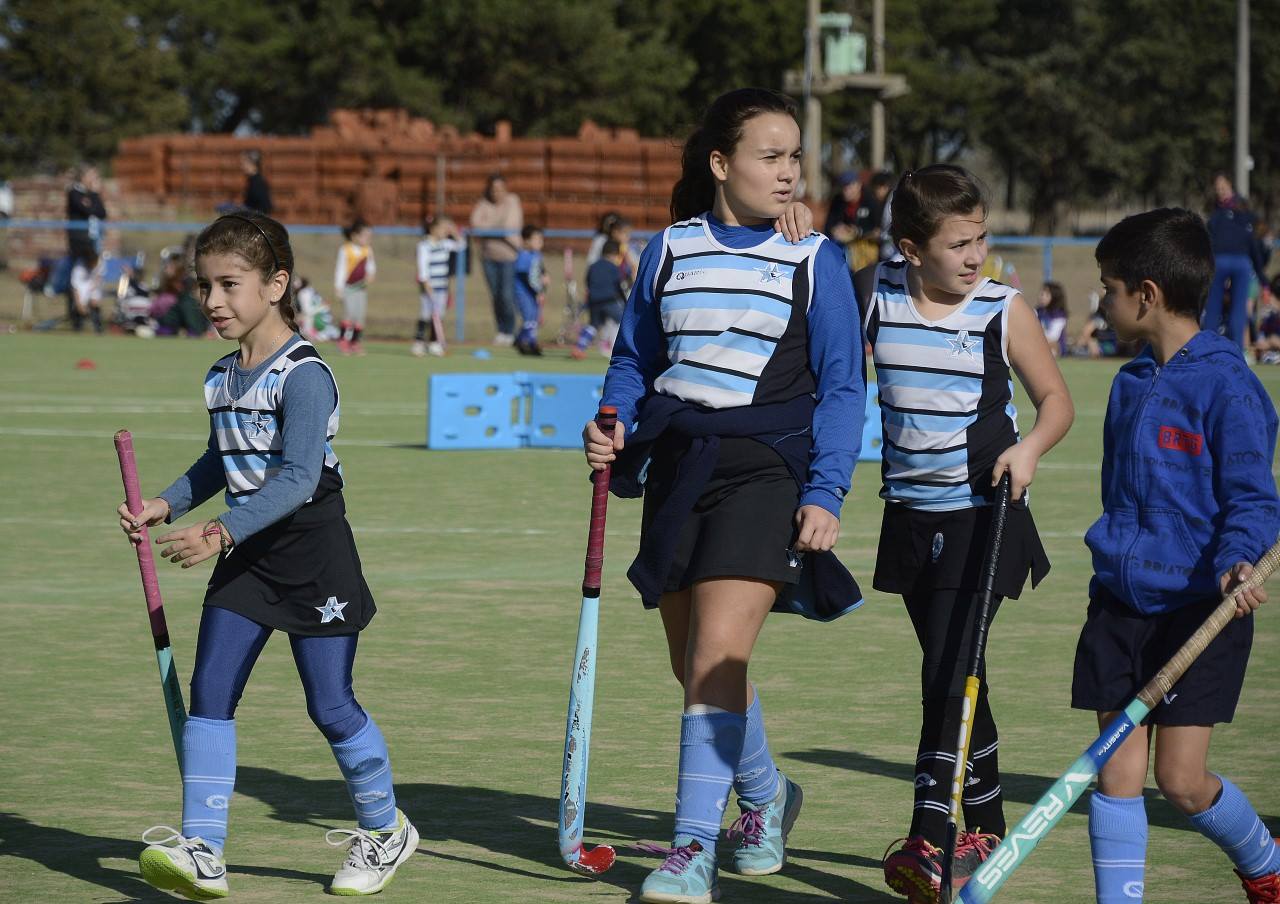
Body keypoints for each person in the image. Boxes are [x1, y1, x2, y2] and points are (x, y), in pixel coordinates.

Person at [582, 87, 864, 904]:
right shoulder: (669, 248)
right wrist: (611, 421)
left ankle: (692, 851)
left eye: (795, 157)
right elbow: (634, 358)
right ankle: (767, 798)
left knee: (715, 658)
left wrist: (827, 490)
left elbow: (845, 387)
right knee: (693, 664)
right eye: (770, 156)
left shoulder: (816, 259)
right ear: (719, 162)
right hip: (679, 465)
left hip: (768, 469)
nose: (789, 172)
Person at [116, 210, 417, 900]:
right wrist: (166, 503)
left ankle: (385, 830)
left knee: (330, 705)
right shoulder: (222, 375)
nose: (212, 300)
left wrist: (218, 532)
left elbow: (299, 478)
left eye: (230, 284)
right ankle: (204, 850)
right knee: (210, 694)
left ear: (276, 284)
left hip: (312, 552)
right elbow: (219, 461)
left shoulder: (304, 375)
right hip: (248, 553)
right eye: (204, 286)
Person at [858, 165, 1074, 903]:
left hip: (986, 513)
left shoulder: (1001, 308)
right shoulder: (874, 292)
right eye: (959, 244)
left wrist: (1030, 449)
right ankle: (988, 823)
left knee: (948, 672)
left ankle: (931, 835)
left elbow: (1055, 401)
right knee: (956, 666)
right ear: (911, 249)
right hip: (908, 517)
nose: (976, 255)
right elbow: (811, 284)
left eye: (981, 238)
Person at [1069, 207, 1280, 904]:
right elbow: (1118, 494)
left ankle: (1266, 865)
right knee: (1116, 777)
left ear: (1147, 294)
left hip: (1199, 610)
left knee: (1182, 782)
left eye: (1109, 288)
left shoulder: (1228, 385)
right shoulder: (1129, 383)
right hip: (1120, 606)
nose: (1103, 301)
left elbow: (1253, 497)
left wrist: (1240, 559)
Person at [1203, 172, 1269, 350]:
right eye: (1217, 188)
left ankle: (1237, 350)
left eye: (1223, 187)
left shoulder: (1244, 212)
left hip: (1240, 262)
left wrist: (1263, 280)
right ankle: (1207, 349)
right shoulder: (1215, 214)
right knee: (1213, 308)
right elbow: (1208, 241)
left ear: (1230, 186)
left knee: (1238, 310)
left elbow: (1253, 245)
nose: (1220, 191)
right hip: (1219, 261)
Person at [470, 173, 523, 345]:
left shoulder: (513, 201)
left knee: (506, 295)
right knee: (496, 296)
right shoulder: (483, 203)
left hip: (509, 257)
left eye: (500, 189)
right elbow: (475, 224)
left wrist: (489, 229)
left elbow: (509, 227)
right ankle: (501, 331)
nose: (496, 192)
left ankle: (510, 330)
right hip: (488, 258)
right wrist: (496, 229)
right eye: (493, 189)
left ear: (505, 189)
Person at [413, 215, 460, 357]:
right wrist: (426, 283)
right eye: (443, 228)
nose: (446, 231)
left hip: (442, 286)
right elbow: (422, 265)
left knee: (438, 315)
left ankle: (434, 343)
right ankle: (418, 343)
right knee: (426, 314)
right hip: (429, 285)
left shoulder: (445, 244)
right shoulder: (424, 246)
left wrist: (454, 233)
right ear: (433, 229)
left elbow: (461, 245)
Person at [334, 219, 375, 355]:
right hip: (348, 288)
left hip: (361, 289)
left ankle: (355, 343)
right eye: (365, 236)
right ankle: (342, 342)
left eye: (369, 236)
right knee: (349, 314)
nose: (368, 239)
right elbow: (340, 270)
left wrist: (370, 275)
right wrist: (338, 287)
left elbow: (371, 267)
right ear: (354, 236)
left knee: (359, 316)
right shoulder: (345, 249)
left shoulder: (367, 250)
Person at [824, 171, 878, 270]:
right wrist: (835, 229)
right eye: (843, 186)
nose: (846, 190)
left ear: (859, 185)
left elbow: (878, 229)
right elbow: (829, 226)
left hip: (866, 247)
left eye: (849, 186)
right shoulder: (838, 201)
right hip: (842, 245)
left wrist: (857, 231)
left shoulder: (870, 200)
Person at [514, 224, 546, 355]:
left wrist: (545, 276)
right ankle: (530, 343)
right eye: (537, 240)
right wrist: (537, 291)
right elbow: (525, 277)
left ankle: (520, 340)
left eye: (541, 240)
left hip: (534, 292)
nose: (540, 243)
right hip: (523, 293)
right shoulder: (524, 256)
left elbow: (540, 271)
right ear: (526, 241)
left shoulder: (537, 255)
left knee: (534, 318)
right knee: (529, 318)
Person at [66, 164, 106, 265]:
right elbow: (87, 211)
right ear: (83, 177)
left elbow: (102, 213)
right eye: (92, 176)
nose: (94, 179)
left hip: (93, 236)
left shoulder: (91, 194)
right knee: (78, 267)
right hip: (80, 239)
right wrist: (93, 197)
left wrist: (94, 195)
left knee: (95, 266)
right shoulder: (74, 193)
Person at [68, 249, 105, 333]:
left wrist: (93, 295)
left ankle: (98, 327)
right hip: (82, 286)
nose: (94, 266)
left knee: (95, 302)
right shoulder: (78, 269)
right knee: (80, 306)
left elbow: (99, 278)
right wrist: (79, 304)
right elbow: (75, 288)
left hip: (93, 283)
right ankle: (78, 326)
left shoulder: (100, 262)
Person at [1037, 280, 1069, 357]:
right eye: (1041, 294)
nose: (1042, 297)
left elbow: (1053, 338)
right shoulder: (1038, 311)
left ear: (1054, 297)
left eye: (1046, 295)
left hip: (1056, 348)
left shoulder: (1059, 315)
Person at [241, 150, 272, 215]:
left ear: (252, 163)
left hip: (255, 218)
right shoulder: (252, 181)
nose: (242, 166)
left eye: (244, 163)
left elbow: (266, 206)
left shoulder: (258, 182)